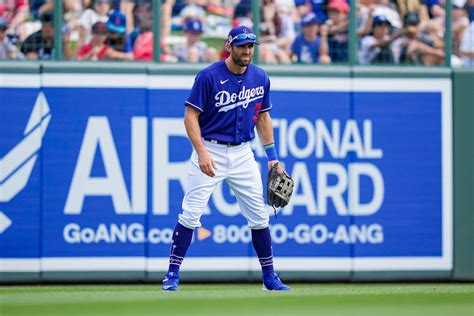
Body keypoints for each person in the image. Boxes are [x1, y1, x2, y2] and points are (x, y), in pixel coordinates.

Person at [161, 25, 291, 292]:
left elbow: (263, 117)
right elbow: (190, 117)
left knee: (259, 216)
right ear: (229, 46)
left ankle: (269, 276)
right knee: (191, 213)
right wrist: (202, 152)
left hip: (243, 153)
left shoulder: (260, 77)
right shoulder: (208, 76)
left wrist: (272, 157)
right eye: (242, 45)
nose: (247, 50)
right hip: (211, 148)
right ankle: (172, 274)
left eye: (250, 46)